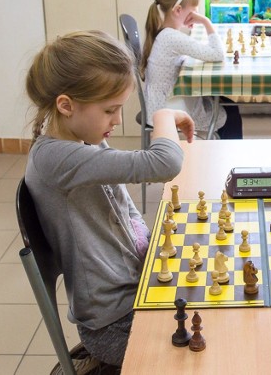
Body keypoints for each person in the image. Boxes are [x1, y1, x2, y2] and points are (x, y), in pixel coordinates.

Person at [24, 30, 194, 367]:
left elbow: (123, 206)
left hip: (134, 293)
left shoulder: (81, 140)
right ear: (66, 105)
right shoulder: (55, 159)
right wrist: (161, 115)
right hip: (115, 325)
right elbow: (164, 163)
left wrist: (151, 249)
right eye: (110, 110)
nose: (117, 120)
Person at [141, 0, 243, 139]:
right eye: (193, 12)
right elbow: (218, 54)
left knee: (225, 102)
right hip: (169, 108)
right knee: (231, 112)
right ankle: (227, 157)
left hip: (163, 103)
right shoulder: (171, 38)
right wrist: (205, 21)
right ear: (177, 10)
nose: (195, 16)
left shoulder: (165, 33)